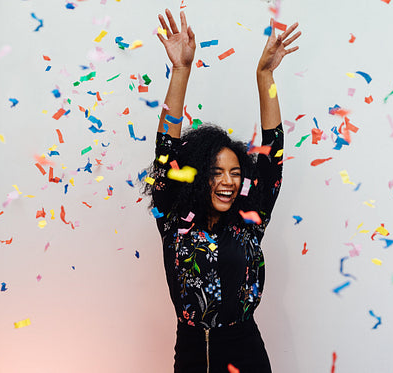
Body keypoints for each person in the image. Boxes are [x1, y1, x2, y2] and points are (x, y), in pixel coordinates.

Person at [144, 8, 300, 373]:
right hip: (192, 353)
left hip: (245, 352)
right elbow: (166, 149)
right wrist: (181, 71)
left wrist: (265, 76)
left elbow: (273, 153)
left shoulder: (250, 221)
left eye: (234, 173)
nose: (227, 181)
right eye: (216, 173)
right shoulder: (173, 220)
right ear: (198, 177)